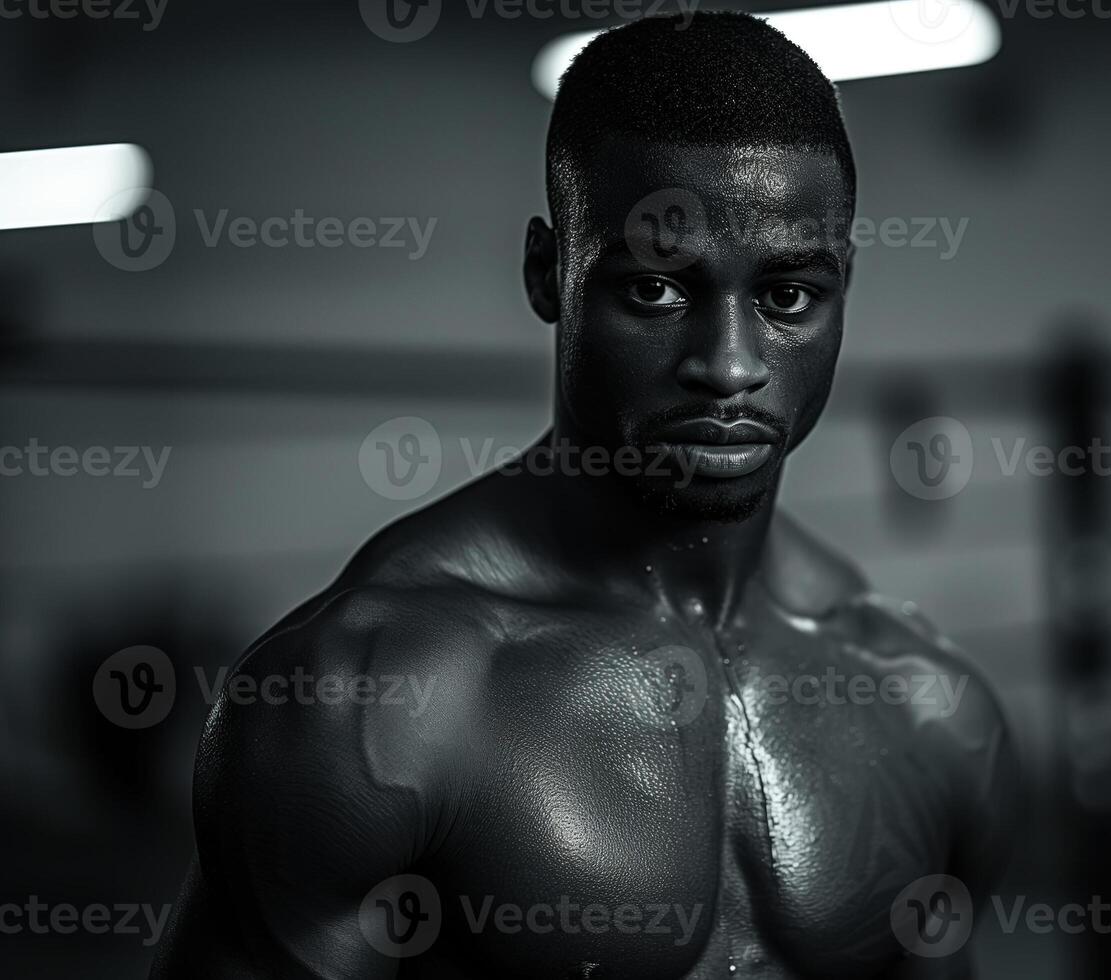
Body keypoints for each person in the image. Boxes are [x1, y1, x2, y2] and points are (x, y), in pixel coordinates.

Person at [152, 12, 1015, 978]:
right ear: (546, 274)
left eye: (786, 296)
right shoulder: (369, 702)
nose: (729, 365)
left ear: (843, 285)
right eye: (655, 291)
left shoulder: (923, 705)